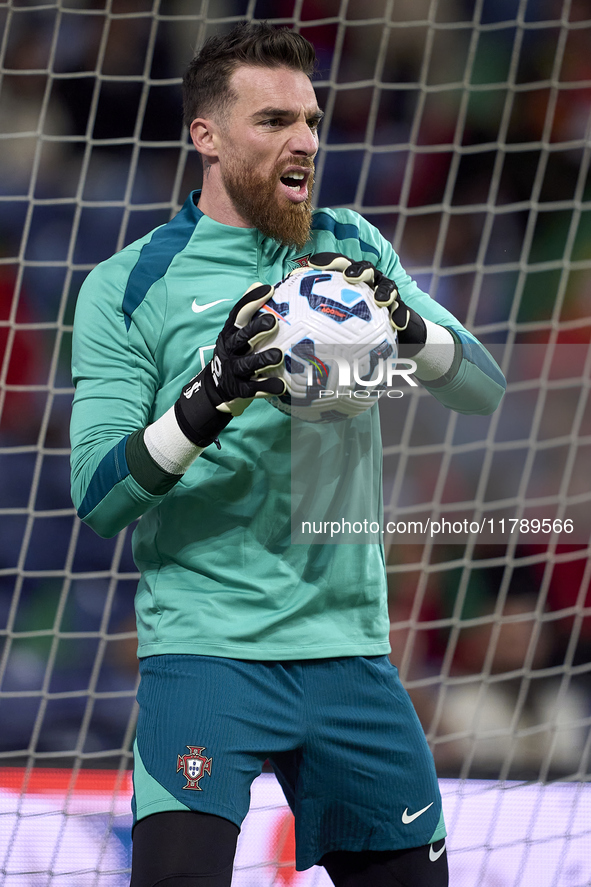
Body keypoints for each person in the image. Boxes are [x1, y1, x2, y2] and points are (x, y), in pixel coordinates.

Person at [69, 21, 506, 887]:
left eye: (310, 119)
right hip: (206, 656)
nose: (305, 140)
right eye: (273, 122)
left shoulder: (356, 248)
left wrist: (408, 324)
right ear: (208, 136)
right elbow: (98, 497)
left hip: (350, 653)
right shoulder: (130, 285)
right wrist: (209, 397)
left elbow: (482, 389)